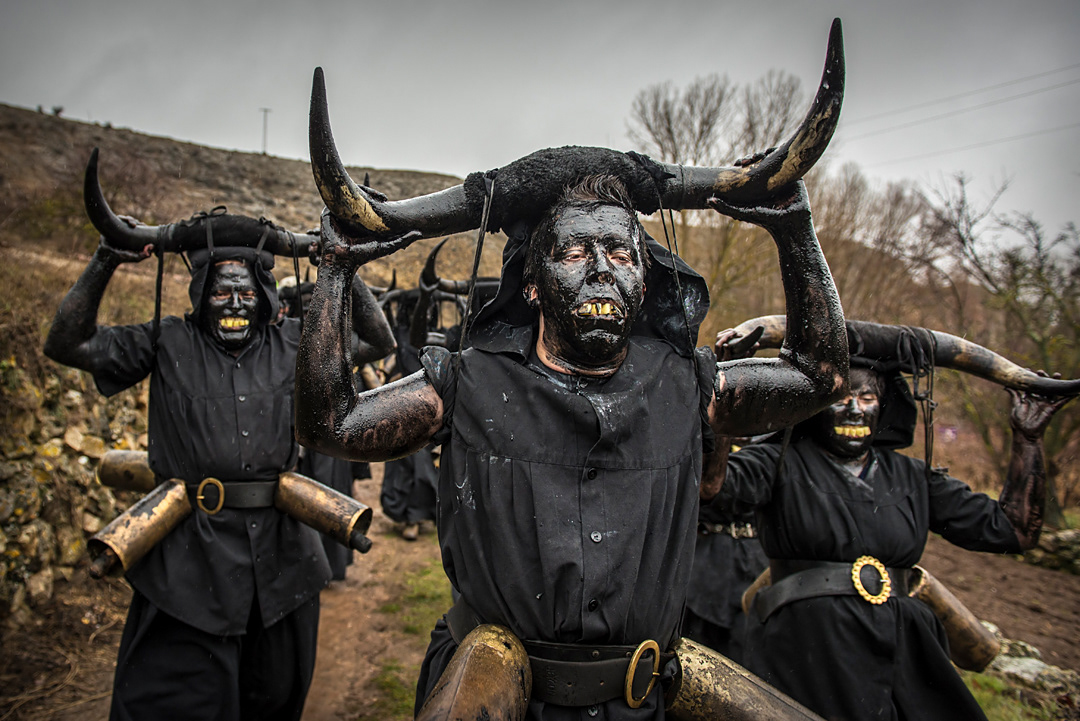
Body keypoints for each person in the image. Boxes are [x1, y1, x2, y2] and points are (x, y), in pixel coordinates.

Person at [296, 168, 849, 719]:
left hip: (640, 705)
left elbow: (821, 376)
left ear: (646, 280)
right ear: (532, 282)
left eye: (621, 253)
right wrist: (337, 267)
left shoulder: (691, 387)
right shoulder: (466, 384)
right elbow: (331, 426)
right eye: (577, 252)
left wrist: (794, 227)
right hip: (490, 696)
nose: (602, 270)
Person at [43, 211, 393, 720]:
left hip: (282, 562)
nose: (234, 304)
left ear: (265, 297)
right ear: (199, 294)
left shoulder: (295, 343)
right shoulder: (165, 341)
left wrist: (342, 266)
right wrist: (105, 260)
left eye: (246, 293)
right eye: (220, 292)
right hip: (185, 568)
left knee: (273, 702)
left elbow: (377, 342)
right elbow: (68, 344)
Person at [701, 336, 1073, 721]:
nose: (855, 411)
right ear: (816, 405)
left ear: (884, 406)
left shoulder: (913, 476)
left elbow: (1013, 530)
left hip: (903, 642)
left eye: (867, 398)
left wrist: (1028, 440)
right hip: (807, 644)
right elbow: (709, 490)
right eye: (842, 398)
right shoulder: (778, 462)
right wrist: (733, 398)